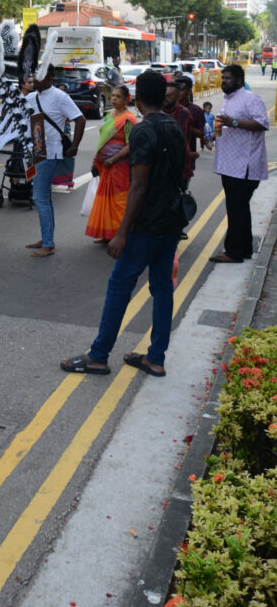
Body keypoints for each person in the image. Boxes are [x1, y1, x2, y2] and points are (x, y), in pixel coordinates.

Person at [60, 70, 186, 378]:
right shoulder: (174, 126)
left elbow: (139, 186)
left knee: (119, 287)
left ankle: (98, 356)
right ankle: (156, 358)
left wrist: (122, 233)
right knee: (161, 287)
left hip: (146, 224)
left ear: (138, 98)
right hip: (172, 219)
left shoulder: (143, 131)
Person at [22, 65, 86, 257]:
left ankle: (48, 244)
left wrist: (74, 146)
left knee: (40, 197)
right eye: (34, 75)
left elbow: (80, 120)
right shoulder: (31, 97)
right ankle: (46, 237)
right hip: (37, 150)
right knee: (44, 197)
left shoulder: (60, 97)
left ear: (50, 78)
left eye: (40, 76)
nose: (35, 79)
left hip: (50, 153)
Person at [210, 64, 269, 264]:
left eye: (227, 78)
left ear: (238, 80)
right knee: (239, 208)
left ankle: (233, 252)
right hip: (229, 164)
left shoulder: (250, 98)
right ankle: (243, 249)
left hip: (244, 166)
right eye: (222, 77)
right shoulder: (228, 100)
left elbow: (262, 123)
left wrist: (233, 122)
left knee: (236, 208)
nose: (223, 81)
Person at [85, 84, 137, 243]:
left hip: (119, 166)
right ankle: (108, 234)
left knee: (119, 201)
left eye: (118, 96)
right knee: (106, 199)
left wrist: (112, 160)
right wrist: (96, 159)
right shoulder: (109, 115)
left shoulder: (129, 119)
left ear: (126, 99)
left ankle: (121, 235)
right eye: (112, 96)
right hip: (105, 165)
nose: (114, 99)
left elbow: (131, 145)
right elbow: (102, 141)